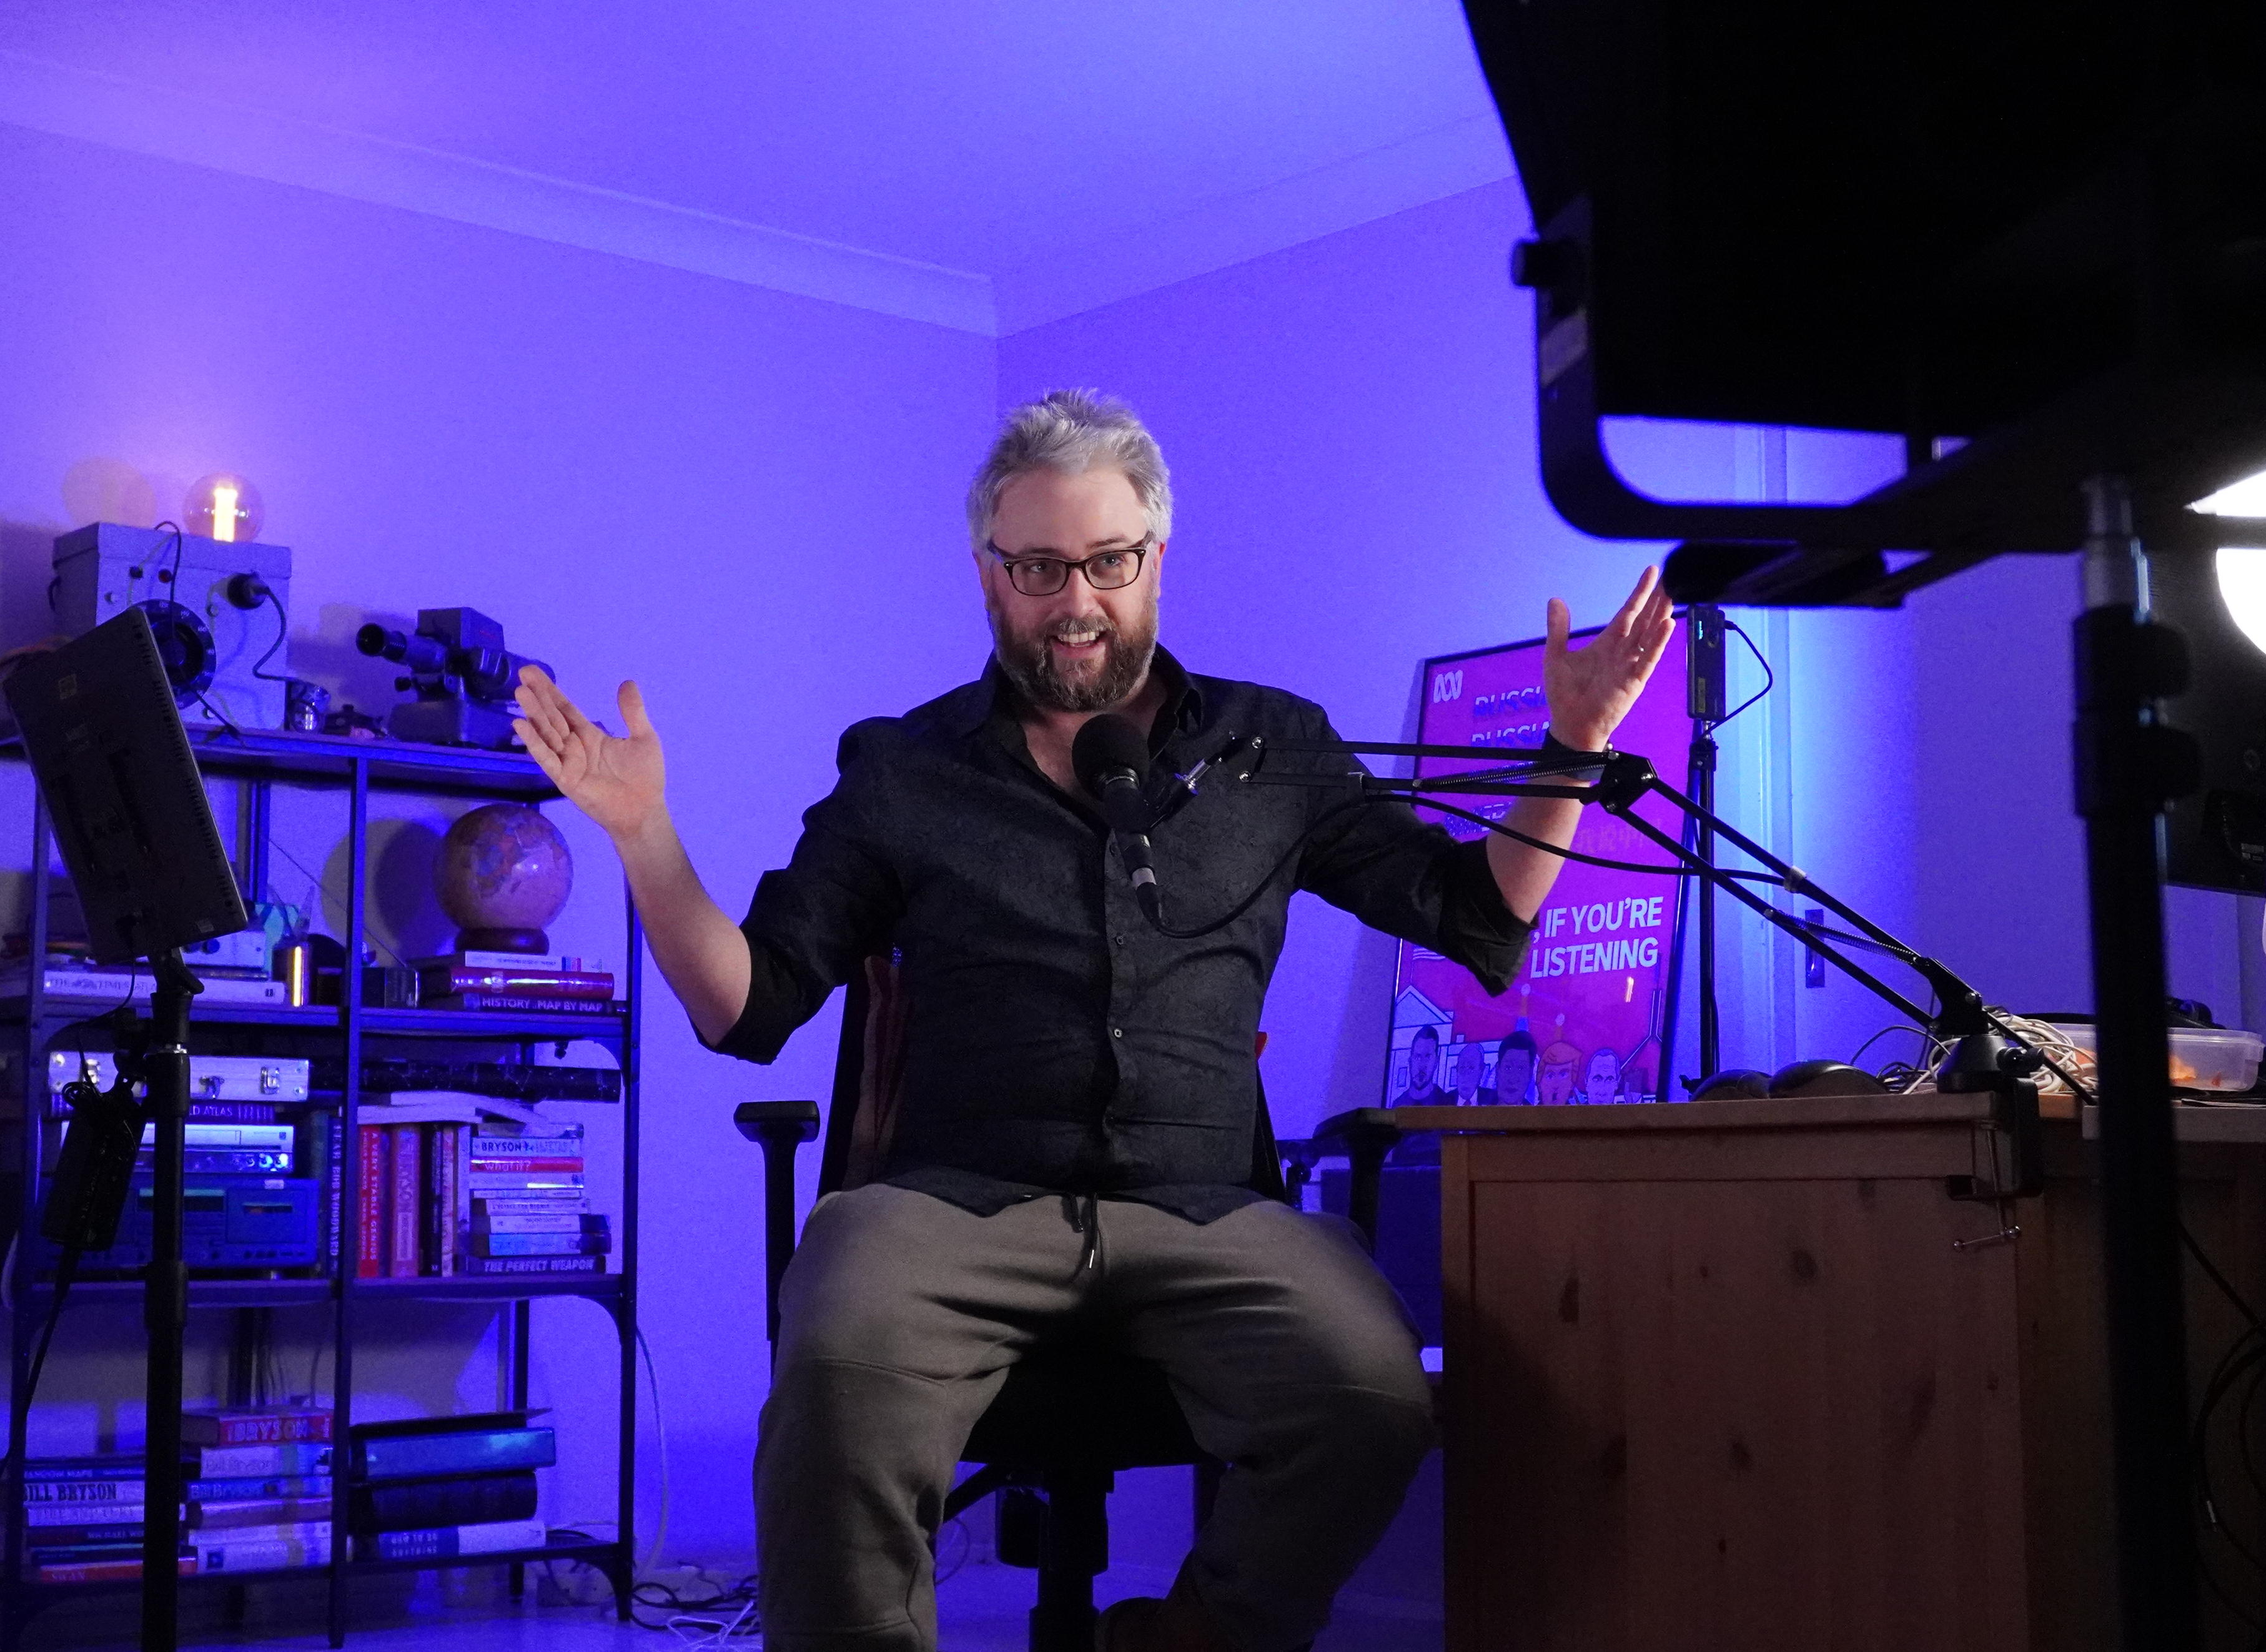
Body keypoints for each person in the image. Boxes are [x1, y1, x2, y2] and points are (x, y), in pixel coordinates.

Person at [512, 390, 1674, 1652]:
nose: (1077, 600)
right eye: (1039, 568)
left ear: (1155, 559)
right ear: (988, 577)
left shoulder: (1267, 748)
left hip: (1207, 1210)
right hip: (951, 1204)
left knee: (1373, 1394)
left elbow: (1478, 924)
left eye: (1108, 562)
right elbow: (748, 1005)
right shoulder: (904, 769)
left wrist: (1570, 749)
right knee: (835, 1359)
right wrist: (644, 840)